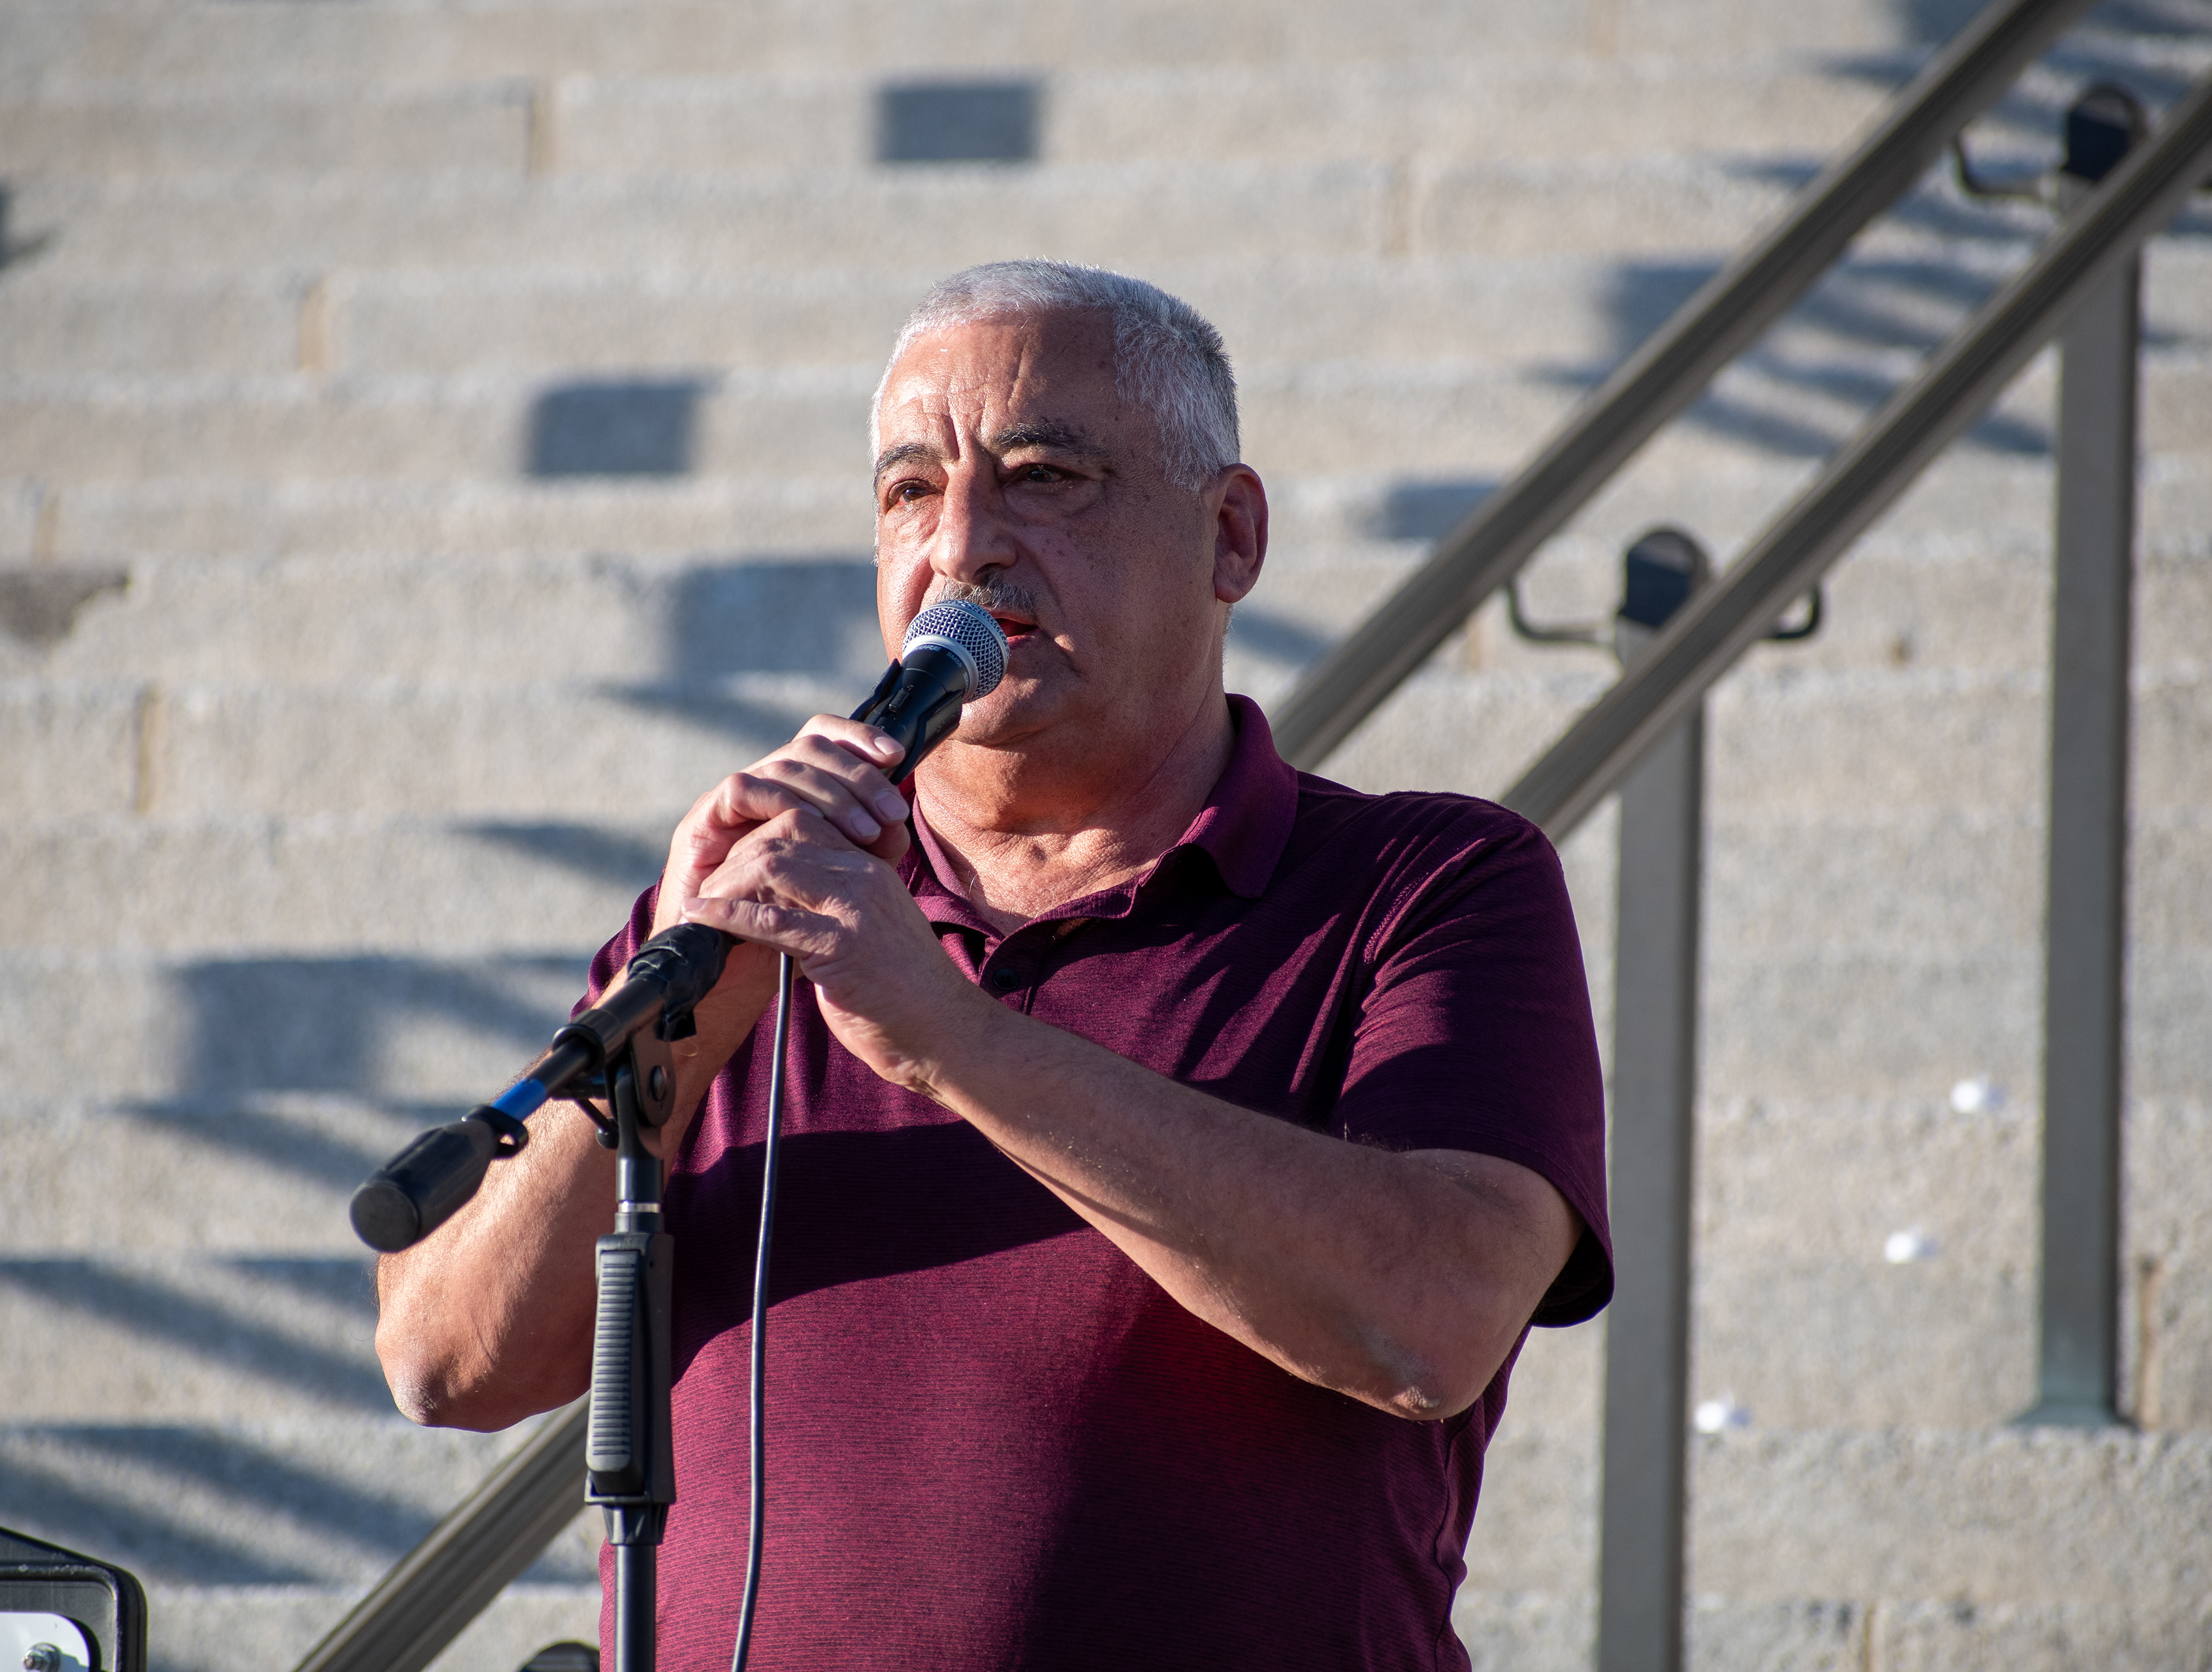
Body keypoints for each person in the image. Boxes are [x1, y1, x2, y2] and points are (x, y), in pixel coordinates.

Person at [374, 260, 1610, 1671]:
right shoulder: (744, 924)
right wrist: (672, 1011)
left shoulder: (1426, 882)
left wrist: (950, 1037)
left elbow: (1431, 1320)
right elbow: (443, 1360)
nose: (961, 543)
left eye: (1042, 475)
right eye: (910, 490)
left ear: (1232, 534)